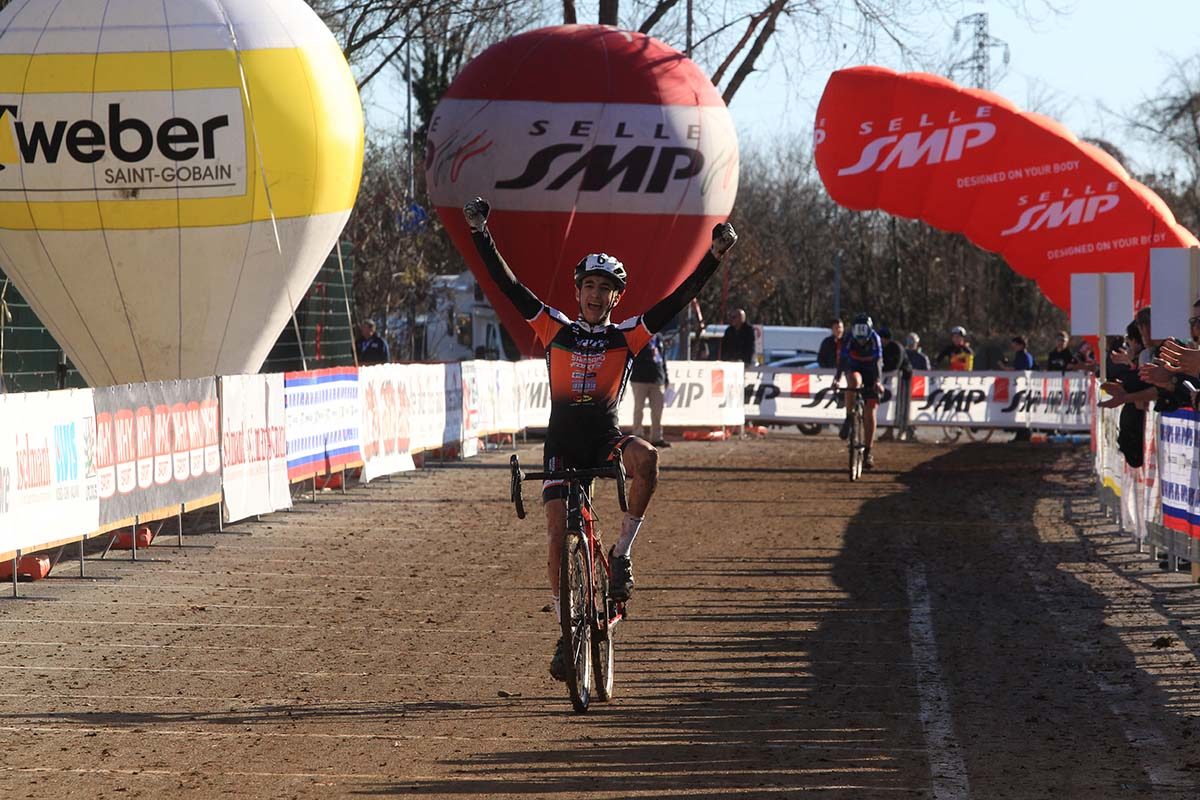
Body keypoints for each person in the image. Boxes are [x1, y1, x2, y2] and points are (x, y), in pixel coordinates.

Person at [463, 196, 739, 682]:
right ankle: (564, 632)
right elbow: (508, 286)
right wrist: (480, 232)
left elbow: (675, 300)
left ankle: (620, 554)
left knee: (649, 459)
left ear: (617, 297)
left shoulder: (628, 335)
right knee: (554, 536)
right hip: (561, 445)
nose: (595, 294)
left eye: (605, 288)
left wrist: (713, 256)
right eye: (588, 285)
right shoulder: (555, 327)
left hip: (605, 441)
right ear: (578, 291)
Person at [833, 313, 883, 469]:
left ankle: (868, 451)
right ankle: (849, 417)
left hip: (871, 370)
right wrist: (837, 378)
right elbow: (842, 360)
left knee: (871, 411)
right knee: (853, 382)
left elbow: (878, 361)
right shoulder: (848, 338)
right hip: (855, 367)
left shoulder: (875, 339)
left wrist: (877, 382)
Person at [630, 332, 670, 448]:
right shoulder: (639, 336)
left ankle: (656, 437)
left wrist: (666, 377)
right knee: (639, 409)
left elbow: (663, 358)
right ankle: (637, 435)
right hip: (639, 379)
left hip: (657, 379)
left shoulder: (659, 338)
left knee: (657, 410)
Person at [878, 326, 910, 442]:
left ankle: (903, 431)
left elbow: (896, 365)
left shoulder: (896, 347)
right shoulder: (883, 348)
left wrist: (881, 370)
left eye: (882, 339)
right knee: (891, 406)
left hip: (904, 380)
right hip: (893, 380)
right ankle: (889, 431)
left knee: (903, 405)